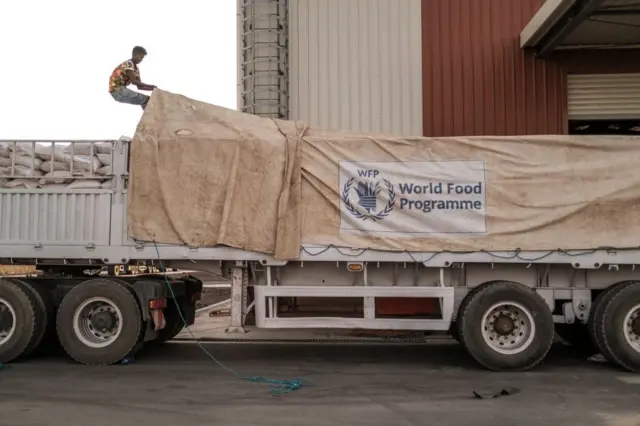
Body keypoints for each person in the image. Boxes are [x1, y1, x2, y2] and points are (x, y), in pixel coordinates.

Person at [108, 46, 157, 110]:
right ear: (135, 55)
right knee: (146, 99)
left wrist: (153, 89)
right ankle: (150, 116)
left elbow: (139, 86)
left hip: (120, 92)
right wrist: (151, 86)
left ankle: (148, 117)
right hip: (117, 90)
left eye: (142, 58)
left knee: (146, 100)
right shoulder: (128, 64)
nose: (141, 60)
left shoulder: (136, 69)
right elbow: (134, 81)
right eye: (141, 57)